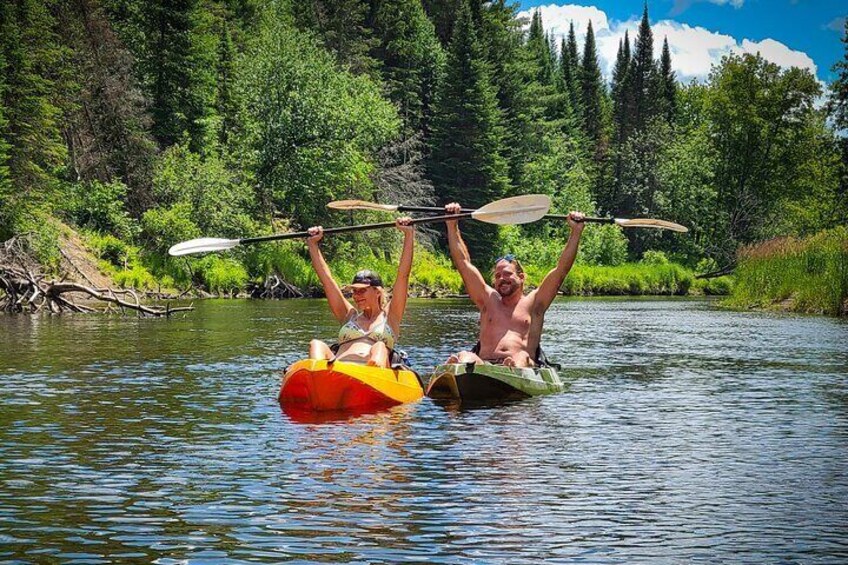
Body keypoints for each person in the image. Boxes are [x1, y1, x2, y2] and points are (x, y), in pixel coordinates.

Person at [444, 202, 585, 368]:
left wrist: (576, 231)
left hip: (521, 365)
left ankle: (511, 368)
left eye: (507, 274)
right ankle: (460, 370)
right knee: (465, 355)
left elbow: (561, 270)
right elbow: (463, 263)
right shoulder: (487, 300)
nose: (502, 278)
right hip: (484, 365)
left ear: (521, 277)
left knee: (522, 356)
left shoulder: (535, 303)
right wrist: (452, 225)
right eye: (498, 276)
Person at [306, 217, 414, 368]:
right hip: (339, 372)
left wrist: (409, 234)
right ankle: (315, 378)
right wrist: (313, 244)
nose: (356, 296)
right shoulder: (349, 315)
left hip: (373, 374)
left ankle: (370, 377)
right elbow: (327, 281)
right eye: (354, 291)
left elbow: (403, 276)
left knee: (379, 347)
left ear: (377, 292)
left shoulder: (391, 316)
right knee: (315, 344)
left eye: (362, 291)